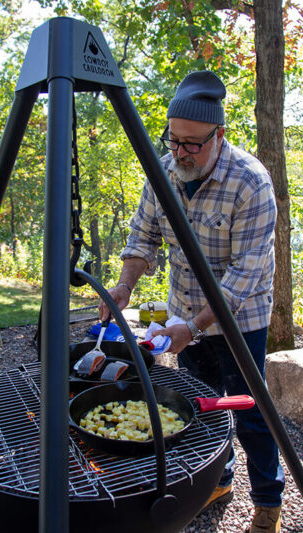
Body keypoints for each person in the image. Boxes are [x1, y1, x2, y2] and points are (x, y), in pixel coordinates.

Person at [98, 71, 284, 533]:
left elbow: (242, 280)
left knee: (249, 408)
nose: (179, 152)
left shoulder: (251, 183)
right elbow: (143, 237)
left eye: (192, 144)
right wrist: (124, 287)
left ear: (219, 135)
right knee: (198, 404)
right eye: (173, 140)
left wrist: (192, 329)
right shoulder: (163, 172)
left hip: (242, 319)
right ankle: (217, 479)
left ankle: (268, 504)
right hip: (183, 309)